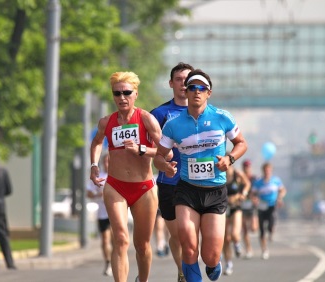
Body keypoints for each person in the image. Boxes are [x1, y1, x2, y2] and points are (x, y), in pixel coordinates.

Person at [154, 69, 248, 282]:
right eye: (192, 88)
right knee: (188, 248)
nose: (197, 92)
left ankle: (215, 263)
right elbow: (158, 157)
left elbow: (241, 143)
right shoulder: (173, 125)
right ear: (185, 92)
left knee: (210, 255)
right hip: (187, 191)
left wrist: (229, 159)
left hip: (215, 192)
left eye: (201, 88)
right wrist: (166, 166)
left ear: (209, 93)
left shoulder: (222, 118)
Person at [90, 71, 165, 282]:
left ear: (135, 94)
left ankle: (143, 279)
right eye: (117, 93)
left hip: (144, 189)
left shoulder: (146, 119)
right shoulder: (107, 122)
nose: (122, 97)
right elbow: (96, 143)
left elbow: (166, 150)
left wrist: (142, 149)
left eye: (126, 92)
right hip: (116, 186)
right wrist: (94, 164)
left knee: (142, 245)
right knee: (121, 239)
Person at [150, 62, 194, 282]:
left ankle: (188, 272)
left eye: (188, 80)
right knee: (176, 235)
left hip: (196, 182)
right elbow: (145, 147)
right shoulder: (159, 114)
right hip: (169, 182)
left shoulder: (204, 113)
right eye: (179, 79)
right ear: (171, 83)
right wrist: (160, 155)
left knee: (190, 235)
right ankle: (181, 272)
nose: (184, 84)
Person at [251, 162, 287, 260]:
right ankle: (264, 250)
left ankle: (271, 232)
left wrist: (280, 198)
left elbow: (283, 190)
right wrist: (254, 199)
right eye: (265, 170)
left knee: (270, 227)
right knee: (262, 230)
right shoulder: (258, 182)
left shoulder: (276, 180)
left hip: (272, 206)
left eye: (269, 170)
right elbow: (253, 193)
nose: (267, 172)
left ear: (271, 171)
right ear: (263, 171)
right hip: (262, 206)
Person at [87, 153, 113, 276]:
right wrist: (98, 195)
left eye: (109, 161)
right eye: (105, 162)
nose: (107, 164)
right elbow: (89, 193)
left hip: (116, 212)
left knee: (117, 240)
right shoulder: (99, 177)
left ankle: (116, 262)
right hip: (103, 214)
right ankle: (108, 262)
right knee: (105, 240)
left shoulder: (118, 176)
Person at [222, 164, 250, 276]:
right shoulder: (219, 174)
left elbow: (247, 183)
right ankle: (228, 263)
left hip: (236, 207)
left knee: (234, 234)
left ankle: (237, 245)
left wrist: (243, 194)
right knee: (225, 239)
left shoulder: (237, 174)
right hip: (223, 208)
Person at [240, 159, 258, 259]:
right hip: (242, 205)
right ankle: (248, 249)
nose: (247, 168)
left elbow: (258, 190)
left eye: (248, 166)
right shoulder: (240, 178)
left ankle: (255, 223)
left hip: (251, 205)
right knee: (244, 230)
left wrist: (256, 198)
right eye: (245, 166)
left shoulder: (254, 178)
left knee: (254, 228)